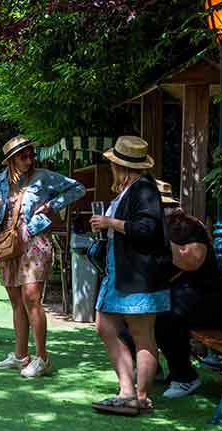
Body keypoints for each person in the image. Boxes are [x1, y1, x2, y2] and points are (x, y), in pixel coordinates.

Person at [0, 135, 84, 377]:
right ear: (10, 160)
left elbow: (77, 188)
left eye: (31, 154)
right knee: (16, 301)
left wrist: (51, 206)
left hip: (35, 241)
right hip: (7, 244)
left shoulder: (44, 177)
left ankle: (42, 357)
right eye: (23, 156)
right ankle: (20, 356)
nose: (29, 159)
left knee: (31, 298)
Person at [89, 136, 170, 416]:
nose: (110, 167)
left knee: (142, 334)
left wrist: (110, 222)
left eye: (113, 164)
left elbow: (147, 229)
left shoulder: (144, 189)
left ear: (121, 166)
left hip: (139, 275)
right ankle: (127, 391)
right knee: (105, 327)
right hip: (121, 273)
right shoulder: (131, 190)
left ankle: (140, 397)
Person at [150, 181, 222, 398]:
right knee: (124, 313)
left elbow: (192, 261)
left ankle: (185, 377)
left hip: (208, 300)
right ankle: (152, 368)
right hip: (178, 297)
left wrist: (160, 238)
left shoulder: (190, 225)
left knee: (165, 316)